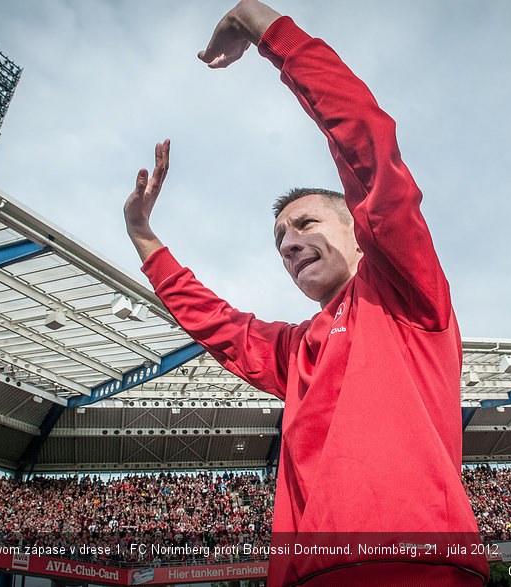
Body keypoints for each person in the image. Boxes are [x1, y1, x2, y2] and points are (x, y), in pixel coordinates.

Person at [124, 1, 489, 585]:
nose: (288, 243)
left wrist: (264, 26)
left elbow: (367, 146)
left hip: (406, 564)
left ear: (359, 227)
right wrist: (143, 237)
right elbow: (218, 325)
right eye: (278, 238)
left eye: (306, 223)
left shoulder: (404, 291)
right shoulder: (297, 351)